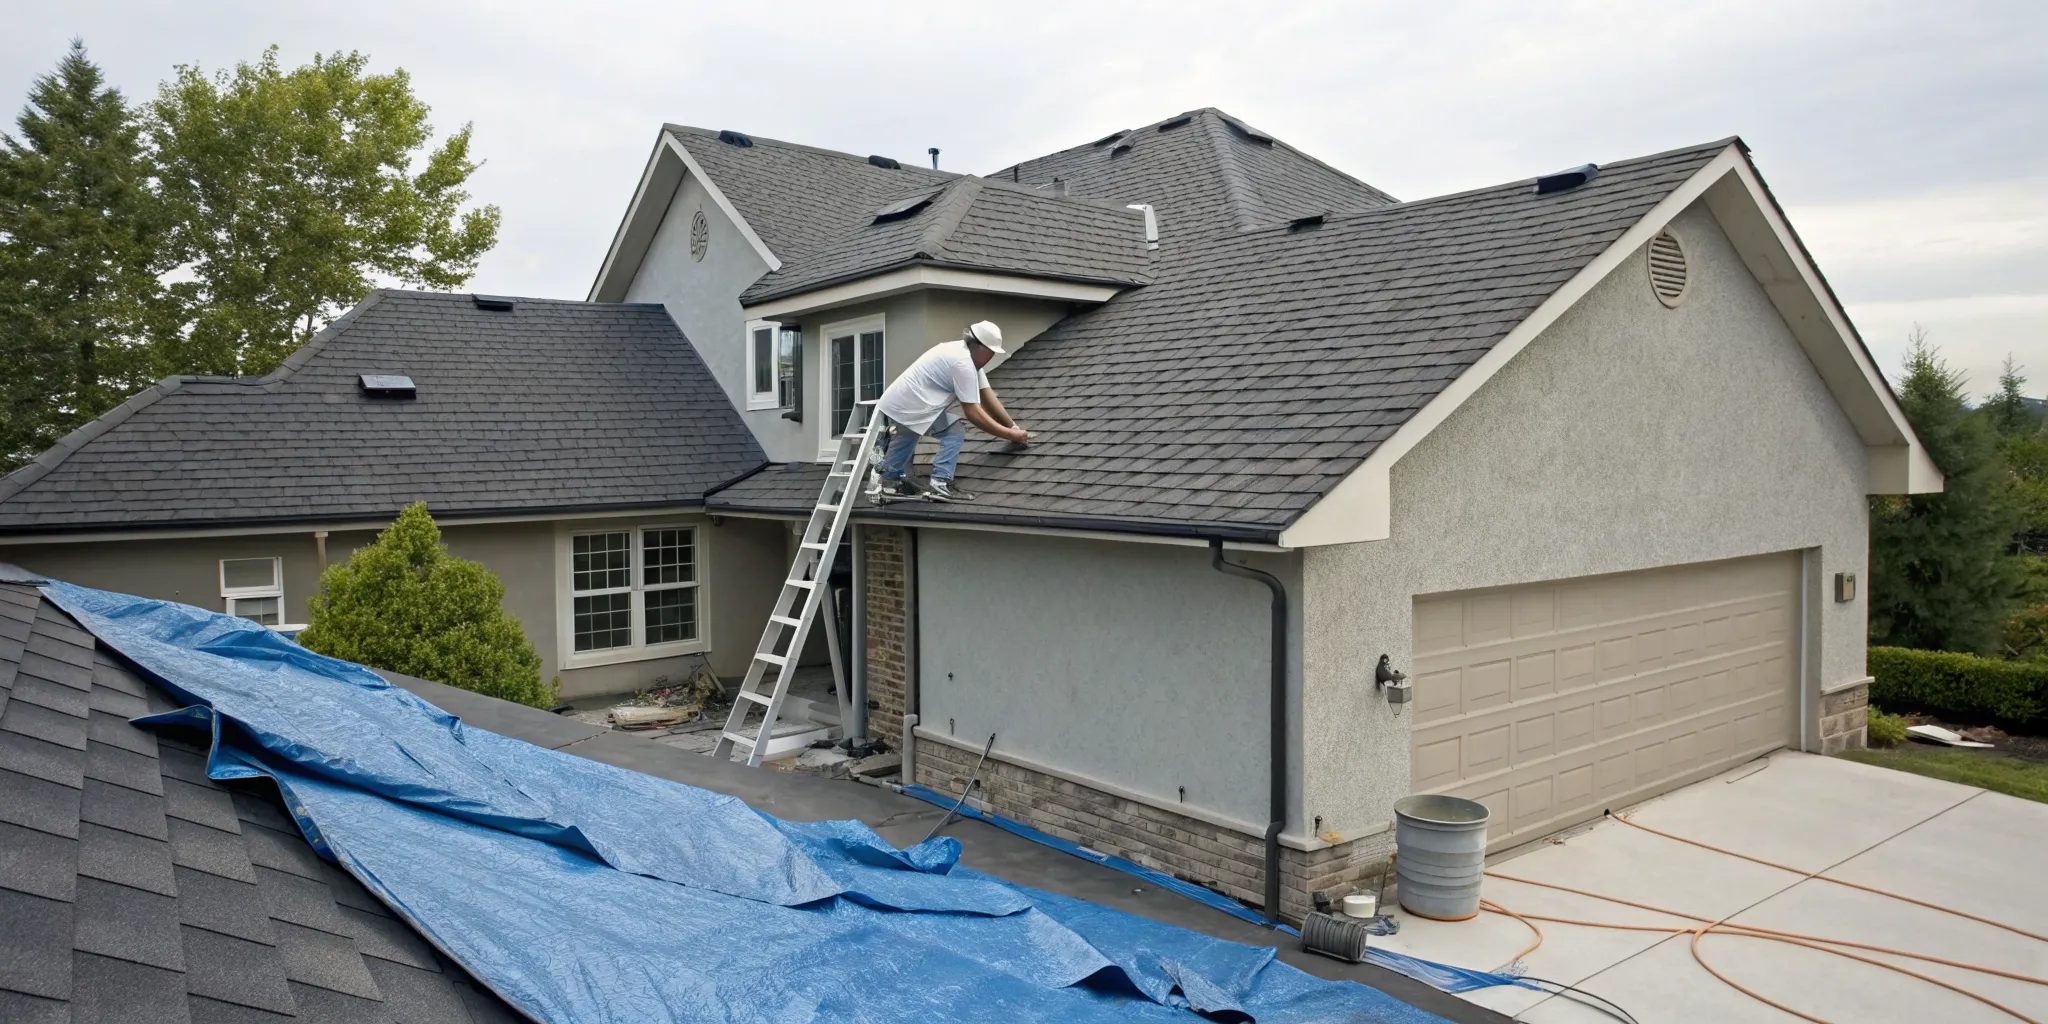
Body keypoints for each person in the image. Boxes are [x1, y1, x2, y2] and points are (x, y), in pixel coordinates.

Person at [873, 320, 1029, 502]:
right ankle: (941, 482)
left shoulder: (963, 355)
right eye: (991, 351)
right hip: (911, 406)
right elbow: (973, 413)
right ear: (979, 347)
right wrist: (1011, 435)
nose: (992, 356)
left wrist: (1013, 426)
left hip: (900, 403)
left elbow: (987, 397)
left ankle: (890, 482)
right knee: (954, 430)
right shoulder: (962, 363)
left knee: (908, 435)